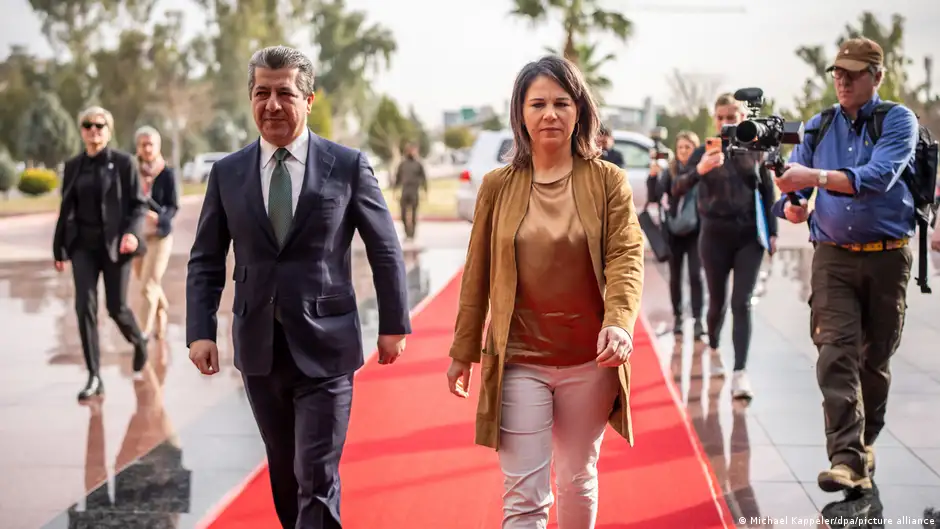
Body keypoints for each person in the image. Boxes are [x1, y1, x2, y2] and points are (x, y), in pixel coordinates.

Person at [185, 45, 411, 529]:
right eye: (261, 93)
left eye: (284, 93)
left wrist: (394, 323)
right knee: (287, 476)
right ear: (250, 98)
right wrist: (199, 330)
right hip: (259, 349)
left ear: (309, 100)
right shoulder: (227, 173)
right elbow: (205, 259)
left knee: (316, 473)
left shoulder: (347, 166)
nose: (272, 104)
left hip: (327, 347)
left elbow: (385, 248)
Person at [445, 55, 645, 529]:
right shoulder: (497, 186)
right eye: (538, 103)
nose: (550, 113)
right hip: (518, 360)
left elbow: (626, 257)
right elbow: (477, 272)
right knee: (523, 496)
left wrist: (619, 321)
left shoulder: (607, 180)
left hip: (589, 362)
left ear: (579, 110)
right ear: (520, 114)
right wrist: (462, 351)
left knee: (577, 477)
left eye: (561, 102)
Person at [772, 37, 918, 494]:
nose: (842, 80)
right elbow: (791, 190)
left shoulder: (898, 120)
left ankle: (864, 441)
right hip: (832, 256)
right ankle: (846, 459)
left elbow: (878, 177)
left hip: (887, 256)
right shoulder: (818, 127)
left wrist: (813, 180)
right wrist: (792, 206)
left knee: (874, 359)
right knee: (835, 353)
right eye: (838, 72)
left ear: (877, 76)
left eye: (853, 73)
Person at [673, 94, 778, 398]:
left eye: (732, 116)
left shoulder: (756, 149)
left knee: (741, 302)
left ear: (743, 117)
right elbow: (678, 188)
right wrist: (700, 170)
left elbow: (767, 190)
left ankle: (740, 373)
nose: (726, 122)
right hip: (714, 235)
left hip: (748, 236)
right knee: (717, 303)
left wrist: (773, 232)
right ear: (714, 119)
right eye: (720, 117)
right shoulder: (705, 151)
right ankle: (715, 346)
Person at [52, 106, 149, 402]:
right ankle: (94, 375)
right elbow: (66, 208)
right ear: (81, 130)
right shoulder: (73, 166)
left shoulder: (123, 163)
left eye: (100, 125)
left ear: (109, 130)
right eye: (88, 125)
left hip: (117, 246)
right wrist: (59, 248)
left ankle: (139, 340)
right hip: (83, 246)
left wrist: (132, 233)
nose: (94, 130)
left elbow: (139, 204)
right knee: (84, 307)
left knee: (116, 307)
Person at [648, 130, 705, 338]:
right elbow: (654, 196)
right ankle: (679, 317)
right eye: (680, 147)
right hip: (673, 230)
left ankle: (698, 319)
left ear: (695, 149)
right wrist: (652, 177)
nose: (683, 151)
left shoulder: (702, 170)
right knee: (675, 276)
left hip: (696, 230)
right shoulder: (669, 171)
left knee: (696, 275)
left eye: (688, 147)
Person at [132, 126, 178, 340]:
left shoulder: (167, 173)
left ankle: (142, 333)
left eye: (151, 144)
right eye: (143, 144)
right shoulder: (132, 173)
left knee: (148, 286)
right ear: (138, 148)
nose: (147, 148)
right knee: (147, 283)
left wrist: (160, 217)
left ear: (158, 146)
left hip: (160, 236)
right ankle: (162, 314)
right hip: (137, 236)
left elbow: (173, 205)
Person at [392, 142, 427, 240]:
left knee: (414, 214)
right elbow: (397, 178)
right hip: (404, 191)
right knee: (403, 214)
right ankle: (407, 233)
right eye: (410, 150)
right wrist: (395, 191)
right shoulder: (402, 164)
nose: (412, 152)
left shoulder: (419, 164)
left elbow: (424, 178)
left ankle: (412, 235)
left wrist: (424, 191)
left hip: (414, 192)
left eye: (414, 150)